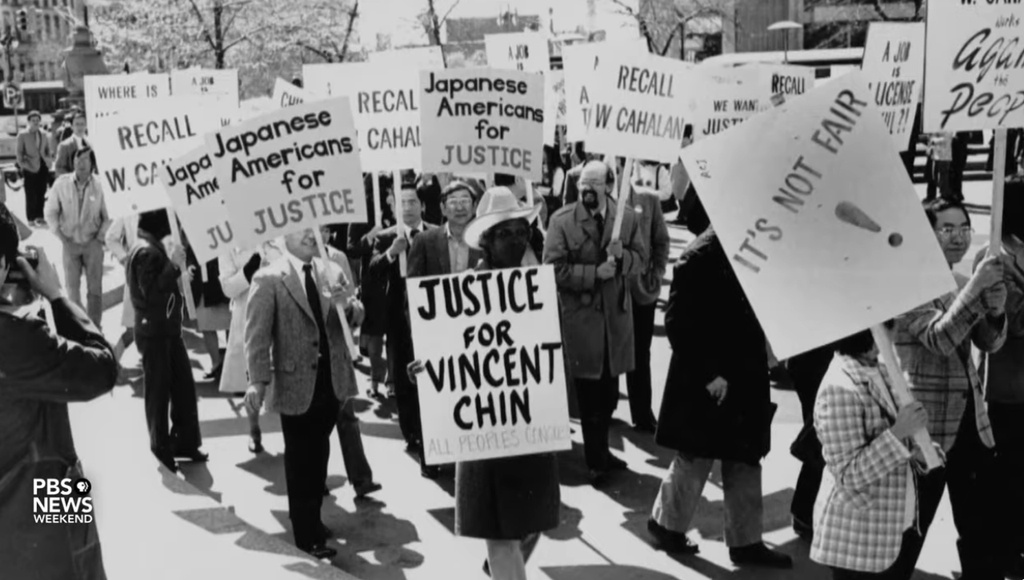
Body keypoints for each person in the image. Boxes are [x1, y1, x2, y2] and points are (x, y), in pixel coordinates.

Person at [409, 187, 560, 580]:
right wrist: (426, 368)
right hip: (485, 434)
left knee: (532, 521)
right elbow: (448, 352)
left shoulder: (537, 288)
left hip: (530, 425)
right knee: (500, 531)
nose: (517, 239)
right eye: (506, 233)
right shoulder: (466, 290)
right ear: (488, 241)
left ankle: (500, 567)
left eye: (522, 231)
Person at [647, 198, 790, 568]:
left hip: (744, 373)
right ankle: (666, 525)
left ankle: (745, 542)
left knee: (745, 458)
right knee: (695, 458)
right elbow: (678, 323)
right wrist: (710, 375)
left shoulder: (752, 250)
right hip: (709, 380)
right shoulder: (699, 256)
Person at [892, 198, 1009, 580]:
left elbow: (989, 344)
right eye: (947, 229)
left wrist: (995, 313)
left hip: (970, 424)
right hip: (928, 427)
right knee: (910, 529)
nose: (958, 237)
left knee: (980, 528)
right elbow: (940, 339)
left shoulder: (958, 283)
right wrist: (976, 290)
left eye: (963, 228)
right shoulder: (907, 284)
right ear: (927, 234)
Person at [0, 202, 117, 580]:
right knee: (76, 559)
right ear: (4, 267)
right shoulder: (16, 340)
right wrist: (54, 294)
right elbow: (102, 368)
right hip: (41, 506)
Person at [244, 227, 364, 559]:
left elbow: (354, 318)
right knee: (301, 460)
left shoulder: (332, 270)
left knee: (320, 454)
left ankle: (311, 519)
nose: (312, 236)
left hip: (333, 382)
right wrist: (257, 380)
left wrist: (348, 306)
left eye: (317, 230)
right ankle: (307, 537)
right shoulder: (268, 279)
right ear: (283, 236)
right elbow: (256, 335)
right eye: (302, 230)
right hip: (294, 385)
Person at [544, 159, 648, 484]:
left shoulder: (626, 218)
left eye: (595, 183)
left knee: (609, 393)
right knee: (589, 393)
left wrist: (622, 259)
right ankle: (595, 460)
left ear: (609, 186)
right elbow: (553, 270)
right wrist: (593, 273)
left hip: (614, 323)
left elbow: (642, 260)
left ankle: (602, 450)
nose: (587, 189)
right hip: (583, 322)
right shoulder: (562, 221)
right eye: (582, 184)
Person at [811, 329, 931, 580]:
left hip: (893, 527)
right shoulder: (839, 386)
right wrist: (898, 433)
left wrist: (919, 449)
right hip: (859, 539)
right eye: (889, 325)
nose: (894, 331)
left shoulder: (881, 368)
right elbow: (849, 474)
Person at [127, 210, 208, 472]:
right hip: (155, 332)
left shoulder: (149, 248)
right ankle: (161, 445)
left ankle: (184, 441)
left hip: (167, 330)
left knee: (183, 387)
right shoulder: (146, 251)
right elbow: (150, 293)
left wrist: (178, 274)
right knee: (159, 391)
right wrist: (173, 266)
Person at [368, 178, 439, 478]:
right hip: (399, 317)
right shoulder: (386, 237)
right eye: (402, 202)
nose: (407, 207)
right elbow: (371, 271)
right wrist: (390, 254)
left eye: (412, 202)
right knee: (403, 374)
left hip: (433, 316)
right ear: (394, 206)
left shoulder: (436, 234)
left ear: (422, 205)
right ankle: (412, 432)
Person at [973, 185, 1024, 577]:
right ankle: (1004, 552)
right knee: (1007, 478)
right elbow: (1015, 320)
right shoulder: (992, 260)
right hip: (1007, 391)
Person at [44, 147, 109, 328]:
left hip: (93, 244)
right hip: (69, 244)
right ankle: (79, 328)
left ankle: (96, 328)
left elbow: (108, 216)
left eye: (85, 160)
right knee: (72, 291)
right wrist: (63, 239)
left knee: (94, 290)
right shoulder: (61, 184)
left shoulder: (101, 185)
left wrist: (99, 239)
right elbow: (50, 213)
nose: (80, 164)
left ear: (92, 163)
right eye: (77, 160)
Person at [624, 175, 670, 433]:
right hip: (610, 291)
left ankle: (642, 413)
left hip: (642, 291)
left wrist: (656, 274)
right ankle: (605, 413)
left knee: (640, 352)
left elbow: (661, 241)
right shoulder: (596, 199)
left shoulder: (648, 198)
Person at [347, 174, 395, 399]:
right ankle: (376, 379)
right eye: (383, 192)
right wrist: (371, 235)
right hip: (372, 281)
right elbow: (352, 248)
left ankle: (393, 380)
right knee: (374, 337)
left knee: (396, 336)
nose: (387, 197)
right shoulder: (359, 214)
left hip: (396, 280)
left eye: (389, 192)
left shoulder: (399, 211)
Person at [218, 245, 264, 452]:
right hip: (247, 315)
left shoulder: (275, 234)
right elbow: (228, 288)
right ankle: (254, 430)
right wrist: (248, 270)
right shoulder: (228, 245)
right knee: (251, 378)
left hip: (279, 311)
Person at [105, 214, 139, 364]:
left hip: (162, 274)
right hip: (137, 274)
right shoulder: (127, 209)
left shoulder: (166, 206)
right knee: (132, 328)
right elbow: (111, 237)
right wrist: (124, 257)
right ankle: (112, 362)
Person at [16, 110, 54, 226]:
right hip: (29, 167)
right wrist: (24, 166)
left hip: (42, 167)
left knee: (41, 192)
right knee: (30, 194)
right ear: (29, 122)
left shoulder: (43, 134)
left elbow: (47, 149)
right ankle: (31, 218)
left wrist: (48, 160)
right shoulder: (23, 135)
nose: (36, 122)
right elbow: (19, 154)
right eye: (33, 120)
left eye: (37, 120)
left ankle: (40, 216)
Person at [52, 110, 96, 177]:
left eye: (82, 124)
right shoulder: (64, 145)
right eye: (77, 124)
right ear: (72, 127)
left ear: (86, 126)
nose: (80, 127)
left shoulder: (91, 143)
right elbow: (59, 168)